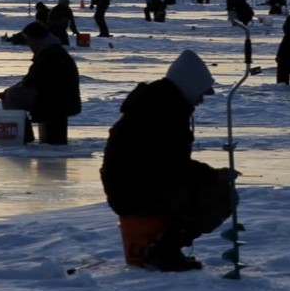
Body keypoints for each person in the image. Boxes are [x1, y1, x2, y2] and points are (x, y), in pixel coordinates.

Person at [100, 50, 235, 272]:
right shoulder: (165, 112)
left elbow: (168, 164)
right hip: (134, 192)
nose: (201, 100)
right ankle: (164, 251)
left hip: (130, 187)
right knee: (222, 197)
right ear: (190, 85)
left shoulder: (158, 104)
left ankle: (163, 247)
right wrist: (214, 175)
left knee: (203, 188)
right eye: (201, 93)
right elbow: (172, 166)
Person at [0, 22, 81, 145]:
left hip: (58, 99)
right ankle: (24, 135)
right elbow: (32, 79)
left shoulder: (51, 54)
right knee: (11, 93)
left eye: (29, 40)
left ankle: (23, 137)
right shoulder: (49, 50)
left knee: (13, 95)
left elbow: (33, 80)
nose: (29, 44)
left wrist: (10, 91)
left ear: (37, 39)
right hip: (56, 96)